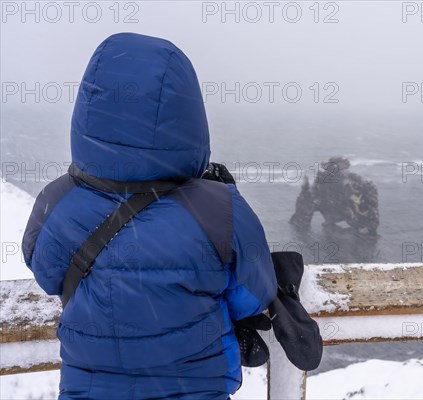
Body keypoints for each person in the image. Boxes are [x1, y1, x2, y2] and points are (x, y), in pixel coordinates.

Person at [21, 32, 277, 399]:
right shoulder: (219, 208)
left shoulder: (56, 199)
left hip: (88, 388)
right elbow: (254, 294)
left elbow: (48, 275)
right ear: (187, 114)